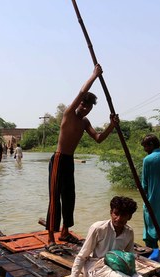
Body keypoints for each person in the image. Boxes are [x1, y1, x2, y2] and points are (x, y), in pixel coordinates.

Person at [45, 64, 119, 248]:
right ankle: (50, 239)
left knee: (69, 196)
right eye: (83, 104)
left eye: (88, 106)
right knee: (55, 198)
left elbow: (99, 138)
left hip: (69, 161)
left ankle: (65, 232)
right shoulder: (68, 114)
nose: (85, 108)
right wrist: (94, 75)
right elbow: (82, 91)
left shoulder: (85, 122)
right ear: (79, 103)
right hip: (59, 159)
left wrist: (112, 125)